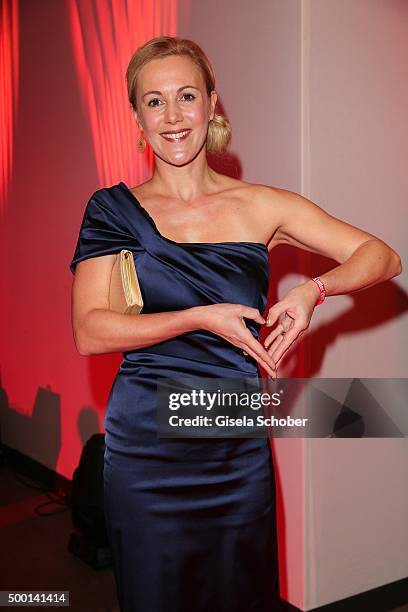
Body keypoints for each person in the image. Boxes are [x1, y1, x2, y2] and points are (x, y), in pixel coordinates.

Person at [69, 36, 402, 612]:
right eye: (154, 101)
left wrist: (314, 291)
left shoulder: (260, 205)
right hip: (148, 444)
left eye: (187, 96)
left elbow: (381, 255)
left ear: (212, 105)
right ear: (136, 117)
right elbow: (90, 331)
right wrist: (197, 317)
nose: (172, 117)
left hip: (233, 436)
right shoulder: (112, 209)